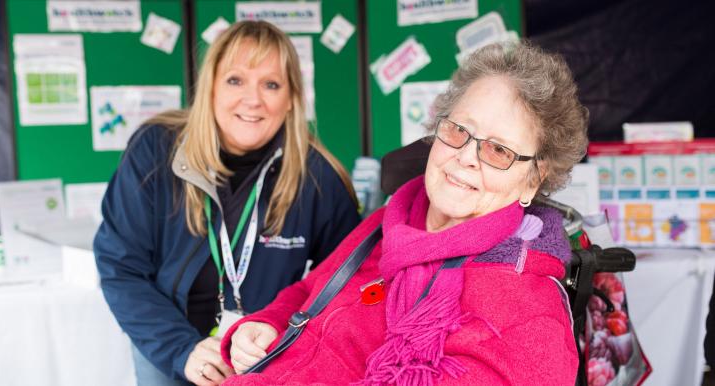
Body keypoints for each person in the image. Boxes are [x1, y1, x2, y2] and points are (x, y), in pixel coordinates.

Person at [220, 41, 589, 385]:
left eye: (498, 150)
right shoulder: (388, 222)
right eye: (459, 130)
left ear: (532, 180)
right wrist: (265, 324)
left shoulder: (527, 311)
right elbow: (309, 291)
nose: (465, 157)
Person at [93, 21, 360, 386]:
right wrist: (180, 350)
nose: (253, 100)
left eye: (271, 84)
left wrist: (280, 332)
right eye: (235, 80)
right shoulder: (155, 150)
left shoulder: (319, 178)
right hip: (167, 348)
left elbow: (345, 284)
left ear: (291, 99)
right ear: (211, 88)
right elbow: (120, 267)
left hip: (262, 357)